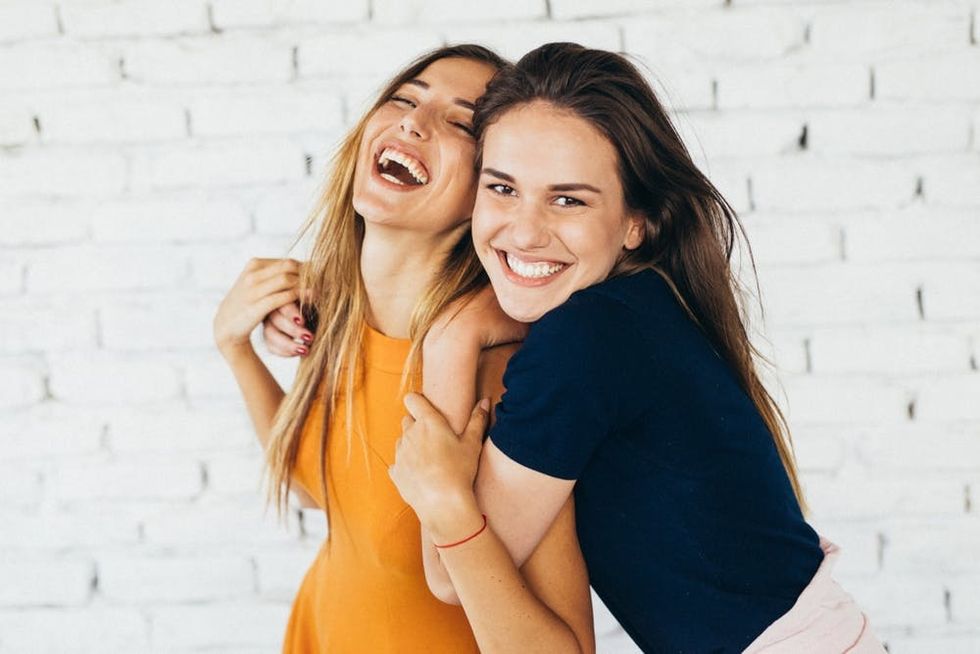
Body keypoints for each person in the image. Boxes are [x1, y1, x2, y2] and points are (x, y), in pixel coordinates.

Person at [388, 43, 886, 653]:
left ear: (636, 222)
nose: (524, 230)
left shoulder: (585, 338)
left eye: (568, 199)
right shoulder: (640, 308)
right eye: (502, 188)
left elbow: (447, 577)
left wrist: (451, 341)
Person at [214, 45, 594, 653]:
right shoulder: (338, 321)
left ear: (489, 189)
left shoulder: (496, 377)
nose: (415, 122)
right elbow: (318, 491)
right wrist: (237, 348)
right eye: (403, 99)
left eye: (460, 122)